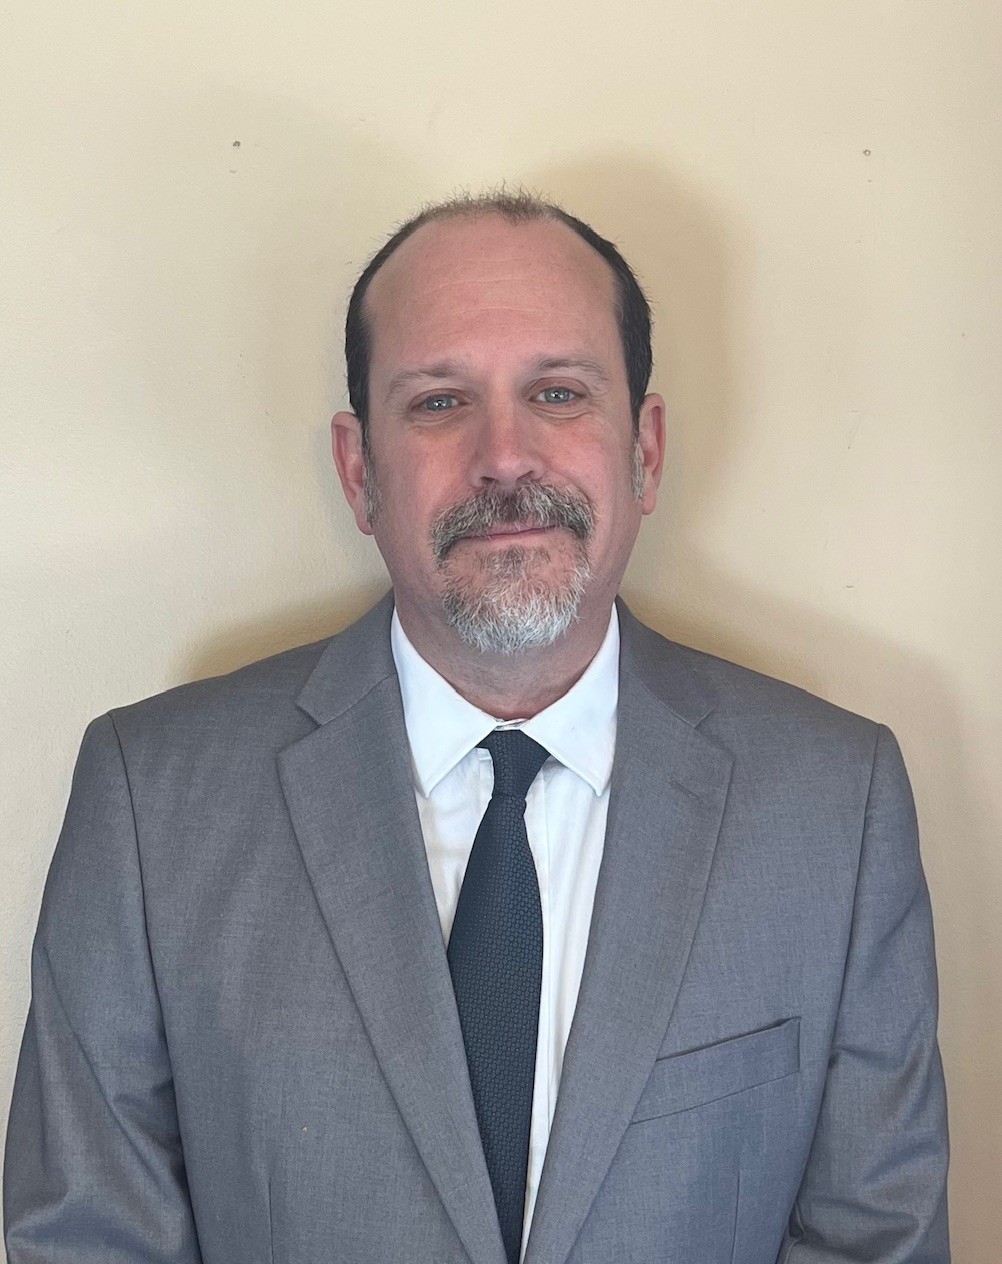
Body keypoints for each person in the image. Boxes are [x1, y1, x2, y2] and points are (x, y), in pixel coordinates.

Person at [4, 190, 950, 1263]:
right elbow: (84, 1242)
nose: (506, 458)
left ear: (645, 449)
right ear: (361, 471)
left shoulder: (836, 805)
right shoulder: (151, 802)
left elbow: (876, 1238)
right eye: (441, 402)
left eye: (558, 391)